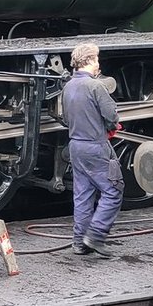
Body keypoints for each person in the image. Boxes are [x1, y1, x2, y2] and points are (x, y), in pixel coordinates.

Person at [62, 43, 124, 258]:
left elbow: (65, 119)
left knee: (83, 194)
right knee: (114, 191)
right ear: (89, 61)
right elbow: (111, 117)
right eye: (96, 60)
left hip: (75, 145)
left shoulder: (68, 86)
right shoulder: (96, 86)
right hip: (95, 146)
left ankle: (79, 243)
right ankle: (95, 235)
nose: (99, 64)